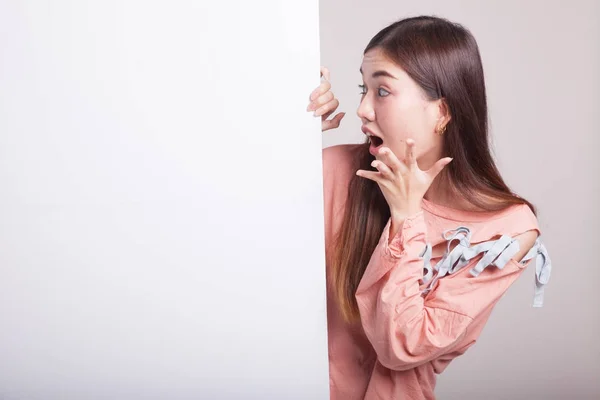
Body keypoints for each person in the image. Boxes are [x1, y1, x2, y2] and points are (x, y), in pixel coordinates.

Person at [306, 15, 552, 400]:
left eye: (382, 91)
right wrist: (284, 135)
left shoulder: (506, 231)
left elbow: (402, 346)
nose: (362, 110)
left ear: (442, 113)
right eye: (362, 88)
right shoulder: (334, 169)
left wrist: (406, 218)